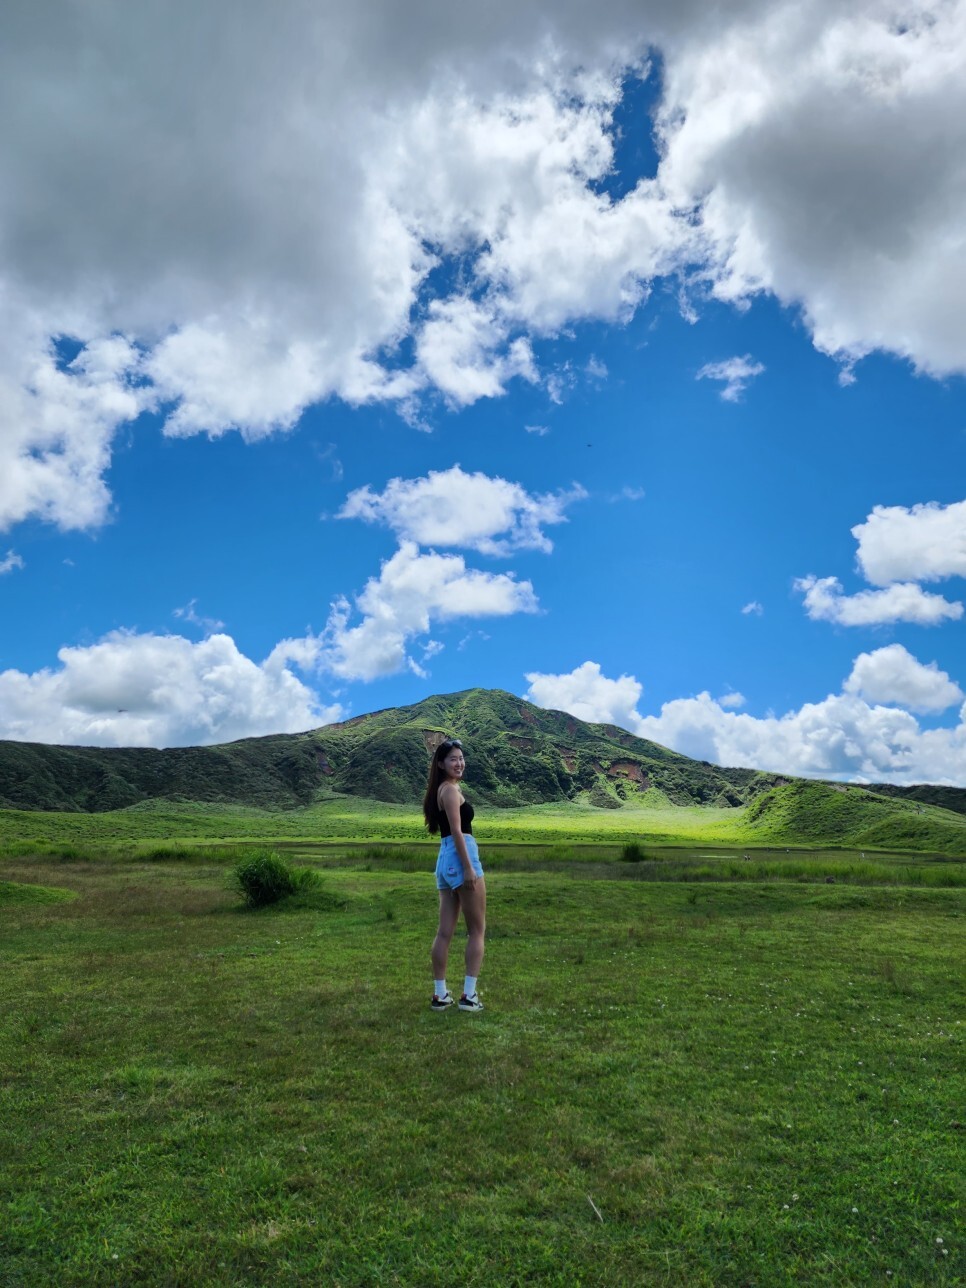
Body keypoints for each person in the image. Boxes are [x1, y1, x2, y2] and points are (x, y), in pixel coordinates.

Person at [422, 737, 486, 1012]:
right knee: (477, 931)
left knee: (445, 932)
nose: (459, 763)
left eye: (461, 758)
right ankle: (469, 996)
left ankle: (440, 994)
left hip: (445, 858)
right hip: (460, 856)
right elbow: (458, 831)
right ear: (441, 764)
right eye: (453, 759)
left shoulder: (442, 789)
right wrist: (469, 868)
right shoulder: (449, 790)